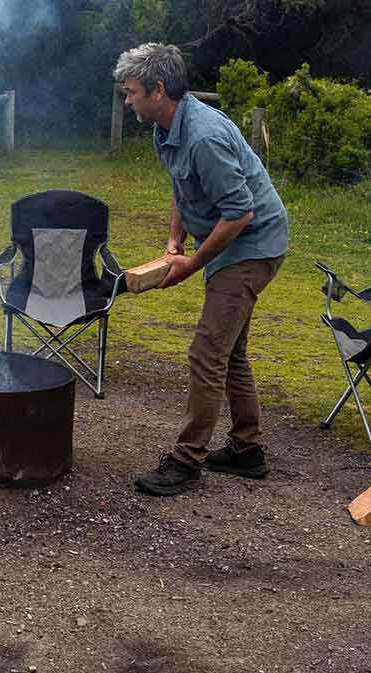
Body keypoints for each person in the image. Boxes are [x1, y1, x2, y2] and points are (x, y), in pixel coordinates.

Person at [115, 42, 290, 496]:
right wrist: (174, 241)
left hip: (252, 246)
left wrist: (191, 264)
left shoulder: (205, 137)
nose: (127, 100)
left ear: (158, 90)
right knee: (229, 353)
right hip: (234, 239)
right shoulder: (164, 128)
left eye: (132, 92)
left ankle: (186, 461)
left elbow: (240, 212)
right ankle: (247, 451)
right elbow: (182, 188)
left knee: (207, 353)